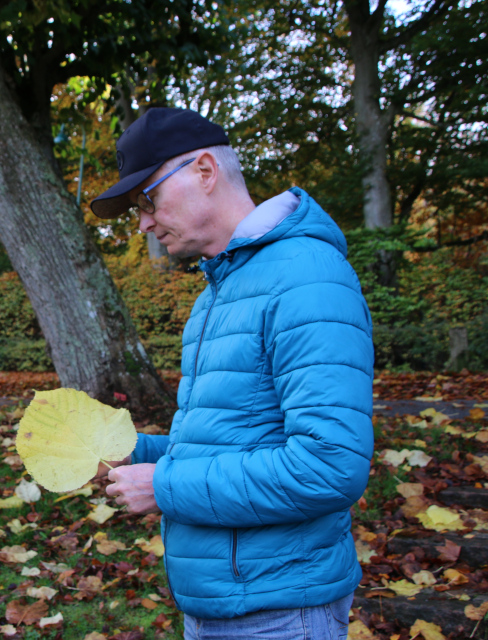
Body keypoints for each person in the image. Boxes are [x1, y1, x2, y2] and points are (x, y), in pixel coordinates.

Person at [89, 108, 374, 639]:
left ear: (203, 170)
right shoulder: (216, 294)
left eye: (147, 200)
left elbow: (331, 465)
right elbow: (229, 442)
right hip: (219, 604)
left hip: (280, 610)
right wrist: (137, 454)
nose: (144, 223)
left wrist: (165, 486)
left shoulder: (306, 276)